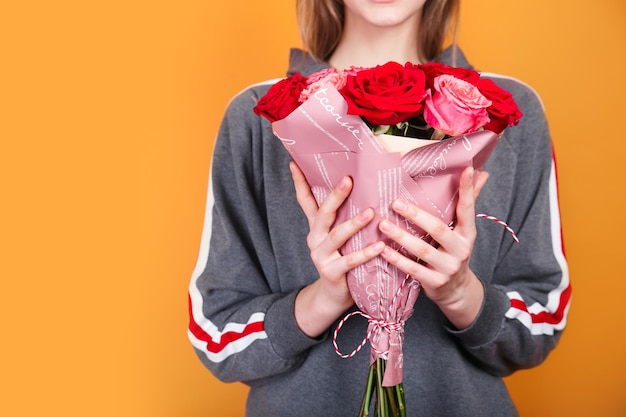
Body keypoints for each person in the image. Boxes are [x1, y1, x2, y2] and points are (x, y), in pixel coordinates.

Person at [187, 0, 571, 415]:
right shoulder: (260, 118)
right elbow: (217, 333)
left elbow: (541, 322)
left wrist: (461, 294)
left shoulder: (506, 111)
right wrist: (323, 299)